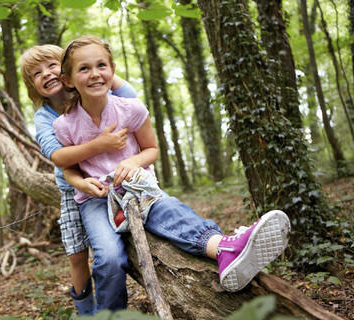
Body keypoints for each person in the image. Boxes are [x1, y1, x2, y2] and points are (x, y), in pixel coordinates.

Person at [53, 35, 291, 312]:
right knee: (108, 258)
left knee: (171, 211)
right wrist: (83, 182)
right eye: (84, 68)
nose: (95, 74)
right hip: (96, 199)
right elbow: (67, 167)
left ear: (112, 70)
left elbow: (151, 149)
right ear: (68, 80)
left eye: (101, 65)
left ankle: (224, 249)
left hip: (138, 188)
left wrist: (133, 162)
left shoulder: (131, 109)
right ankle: (110, 315)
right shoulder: (65, 125)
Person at [19, 44, 137, 315]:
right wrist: (100, 144)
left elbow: (129, 94)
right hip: (74, 189)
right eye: (37, 73)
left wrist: (92, 62)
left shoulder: (89, 92)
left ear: (68, 71)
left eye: (52, 66)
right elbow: (58, 156)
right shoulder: (44, 117)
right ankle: (85, 310)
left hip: (114, 179)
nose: (47, 74)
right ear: (32, 87)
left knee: (113, 248)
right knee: (77, 254)